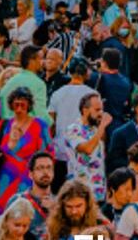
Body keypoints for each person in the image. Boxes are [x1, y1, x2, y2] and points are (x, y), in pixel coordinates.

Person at [0, 87, 54, 235]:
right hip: (5, 177)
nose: (19, 108)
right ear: (11, 105)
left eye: (23, 104)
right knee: (0, 212)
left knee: (24, 213)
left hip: (28, 178)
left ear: (29, 105)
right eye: (16, 105)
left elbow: (49, 152)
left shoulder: (39, 125)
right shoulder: (4, 124)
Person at [49, 57, 94, 188]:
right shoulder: (92, 95)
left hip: (60, 150)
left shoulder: (57, 94)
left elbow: (51, 124)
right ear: (86, 72)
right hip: (83, 152)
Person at [64, 91, 112, 202]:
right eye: (97, 110)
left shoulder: (96, 129)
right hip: (80, 191)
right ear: (85, 111)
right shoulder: (73, 129)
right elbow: (87, 149)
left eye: (102, 109)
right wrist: (102, 126)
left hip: (99, 191)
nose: (101, 113)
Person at [6, 151, 56, 240]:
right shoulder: (17, 201)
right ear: (31, 174)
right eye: (40, 168)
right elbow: (7, 232)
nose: (45, 172)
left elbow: (72, 231)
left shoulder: (60, 201)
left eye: (49, 168)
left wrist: (55, 210)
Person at [0, 45, 52, 124]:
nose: (43, 62)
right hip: (28, 130)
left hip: (9, 130)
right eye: (41, 58)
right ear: (31, 61)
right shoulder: (39, 84)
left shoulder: (11, 81)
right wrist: (51, 122)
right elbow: (40, 114)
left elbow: (2, 101)